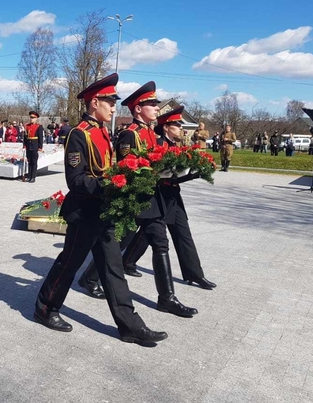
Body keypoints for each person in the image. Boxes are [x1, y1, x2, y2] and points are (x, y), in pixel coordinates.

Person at [34, 73, 168, 345]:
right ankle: (45, 308)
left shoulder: (105, 132)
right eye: (109, 100)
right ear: (95, 102)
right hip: (84, 212)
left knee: (112, 268)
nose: (113, 106)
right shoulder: (78, 134)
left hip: (104, 211)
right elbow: (76, 179)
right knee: (69, 263)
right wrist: (109, 185)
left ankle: (130, 325)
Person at [79, 81, 197, 318]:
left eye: (155, 103)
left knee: (160, 243)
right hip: (134, 199)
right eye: (151, 104)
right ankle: (89, 278)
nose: (156, 108)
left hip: (151, 199)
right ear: (138, 109)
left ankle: (167, 298)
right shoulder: (129, 135)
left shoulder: (151, 134)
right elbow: (127, 169)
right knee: (119, 243)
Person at [121, 107, 216, 290]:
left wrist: (195, 172)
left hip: (173, 195)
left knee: (182, 232)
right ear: (166, 127)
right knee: (149, 233)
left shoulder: (174, 146)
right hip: (159, 196)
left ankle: (194, 274)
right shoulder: (158, 144)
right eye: (176, 124)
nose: (180, 128)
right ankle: (125, 262)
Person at [23, 111, 44, 183]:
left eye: (33, 118)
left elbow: (40, 137)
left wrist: (40, 147)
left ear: (36, 118)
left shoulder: (39, 126)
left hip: (35, 145)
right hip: (28, 145)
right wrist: (24, 145)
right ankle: (29, 176)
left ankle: (33, 177)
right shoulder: (27, 126)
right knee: (29, 161)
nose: (31, 119)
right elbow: (25, 137)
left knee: (34, 162)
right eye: (30, 117)